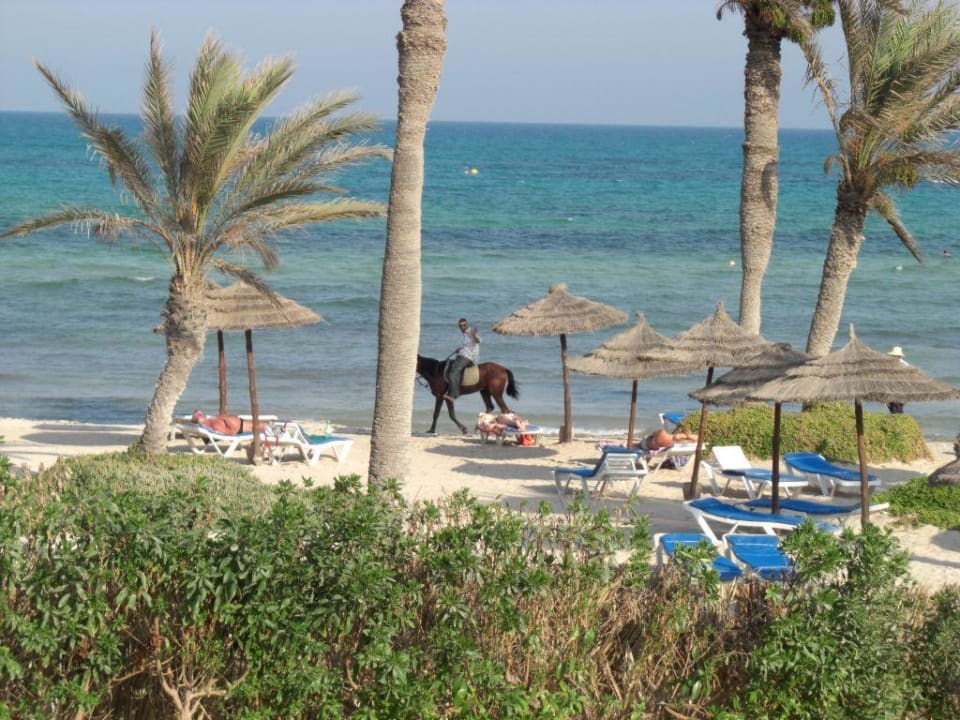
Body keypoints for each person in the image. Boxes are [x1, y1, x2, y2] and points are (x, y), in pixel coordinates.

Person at [444, 318, 481, 401]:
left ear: (467, 325)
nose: (463, 327)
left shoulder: (470, 332)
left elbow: (478, 341)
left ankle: (454, 395)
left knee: (452, 373)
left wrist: (474, 335)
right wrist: (460, 349)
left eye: (464, 325)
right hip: (464, 355)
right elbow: (469, 345)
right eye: (461, 326)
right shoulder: (465, 334)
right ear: (459, 327)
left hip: (466, 357)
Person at [886, 346, 909, 414]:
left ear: (900, 356)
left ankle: (899, 421)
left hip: (902, 390)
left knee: (898, 408)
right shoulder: (887, 365)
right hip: (891, 389)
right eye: (893, 356)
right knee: (892, 407)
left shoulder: (905, 365)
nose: (894, 357)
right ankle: (897, 421)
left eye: (896, 356)